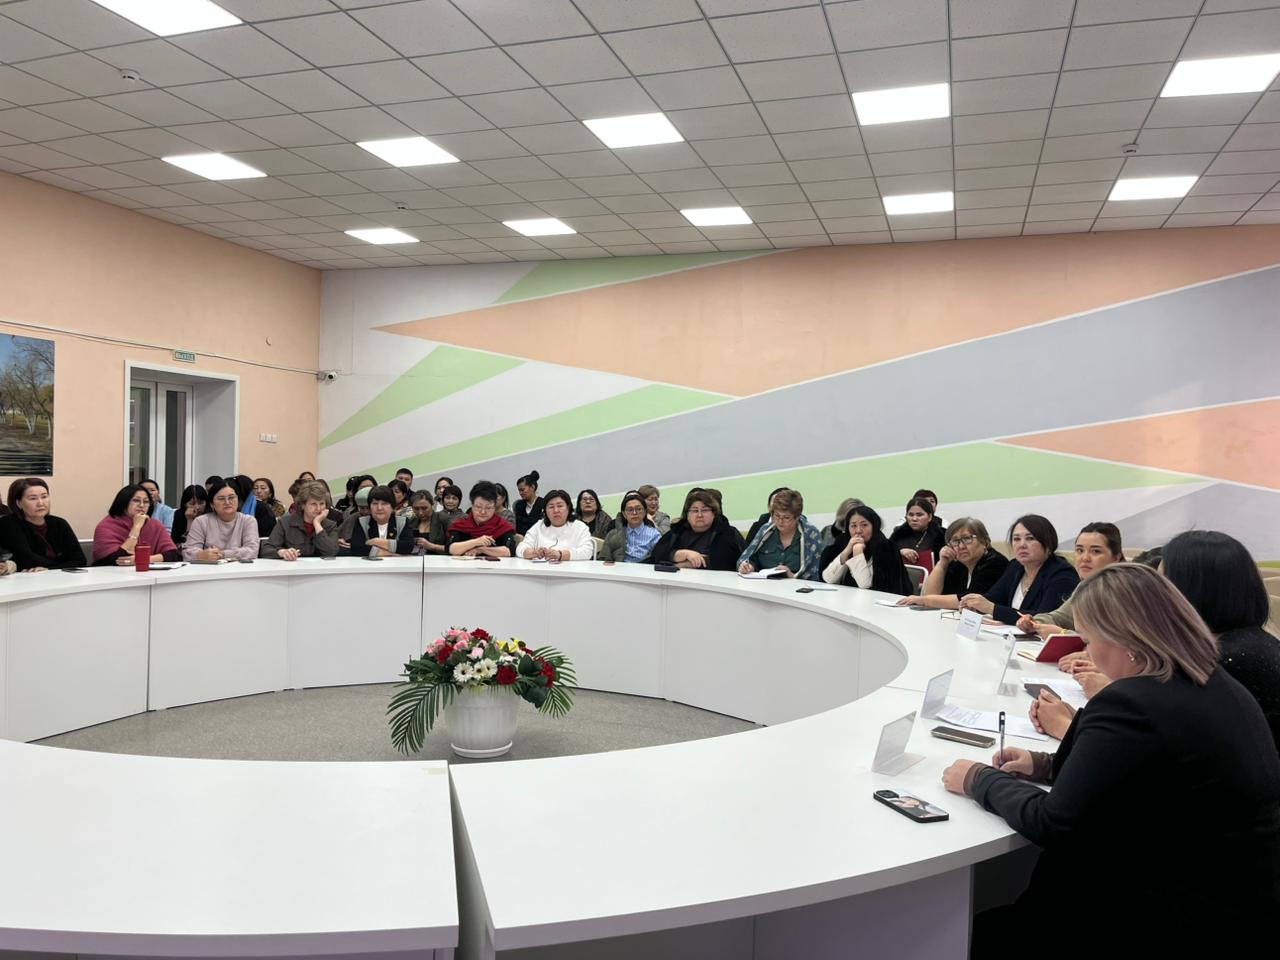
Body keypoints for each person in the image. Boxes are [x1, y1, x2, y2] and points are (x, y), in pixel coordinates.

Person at [941, 563, 1280, 954]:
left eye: (1088, 639)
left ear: (1125, 638)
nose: (1088, 653)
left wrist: (979, 778)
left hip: (1170, 916)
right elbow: (1145, 768)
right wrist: (1044, 764)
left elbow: (1053, 823)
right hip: (1239, 903)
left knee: (967, 936)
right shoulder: (1214, 682)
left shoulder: (1132, 702)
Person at [1161, 530, 1280, 752]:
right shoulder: (1252, 641)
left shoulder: (1228, 661)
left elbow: (1174, 736)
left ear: (1191, 592)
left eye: (1161, 585)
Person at [960, 515, 1078, 624]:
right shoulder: (1016, 566)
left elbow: (1044, 618)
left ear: (1048, 543)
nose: (1022, 545)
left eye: (1030, 538)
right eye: (1016, 539)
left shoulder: (1063, 574)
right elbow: (993, 598)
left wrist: (992, 609)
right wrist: (974, 605)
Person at [1016, 522, 1124, 637]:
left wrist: (1063, 633)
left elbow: (1113, 641)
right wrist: (1034, 623)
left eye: (1096, 551)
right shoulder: (1086, 585)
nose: (1085, 558)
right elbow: (1060, 617)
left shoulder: (1124, 590)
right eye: (1080, 550)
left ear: (1116, 557)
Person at [898, 517, 1009, 609]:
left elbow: (968, 601)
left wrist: (923, 600)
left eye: (967, 538)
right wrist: (942, 564)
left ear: (984, 541)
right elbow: (929, 594)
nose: (961, 546)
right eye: (955, 541)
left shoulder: (994, 563)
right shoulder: (959, 563)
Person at [819, 504, 912, 594]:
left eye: (864, 525)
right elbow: (828, 579)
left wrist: (858, 554)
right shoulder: (846, 543)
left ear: (874, 526)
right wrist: (846, 552)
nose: (858, 530)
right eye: (853, 526)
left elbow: (865, 586)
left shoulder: (886, 548)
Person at [0, 478, 86, 571]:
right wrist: (61, 565)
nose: (40, 503)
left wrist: (49, 569)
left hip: (61, 577)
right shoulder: (8, 524)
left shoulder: (59, 523)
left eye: (44, 497)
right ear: (19, 503)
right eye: (33, 498)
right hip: (27, 578)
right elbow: (26, 560)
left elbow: (80, 560)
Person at [737, 488, 822, 580]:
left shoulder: (811, 535)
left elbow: (816, 573)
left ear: (797, 517)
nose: (780, 521)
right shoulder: (765, 531)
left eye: (786, 517)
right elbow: (750, 557)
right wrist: (749, 566)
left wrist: (793, 576)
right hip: (763, 584)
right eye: (777, 515)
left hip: (796, 587)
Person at [648, 490, 743, 571]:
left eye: (705, 510)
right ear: (687, 515)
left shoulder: (728, 533)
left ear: (714, 513)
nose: (699, 515)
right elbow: (657, 555)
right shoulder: (677, 531)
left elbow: (727, 561)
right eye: (694, 510)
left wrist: (685, 565)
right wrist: (681, 554)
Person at [92, 484, 180, 566]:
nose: (142, 505)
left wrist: (144, 559)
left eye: (146, 502)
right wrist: (136, 527)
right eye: (136, 500)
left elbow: (174, 555)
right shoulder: (106, 526)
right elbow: (119, 559)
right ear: (123, 502)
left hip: (149, 573)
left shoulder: (155, 525)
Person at [182, 480, 259, 562]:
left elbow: (252, 550)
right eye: (221, 499)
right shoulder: (201, 521)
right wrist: (200, 555)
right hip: (208, 568)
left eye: (231, 497)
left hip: (240, 568)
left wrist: (223, 554)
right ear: (212, 504)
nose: (227, 502)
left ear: (238, 500)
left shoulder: (248, 521)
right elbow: (188, 552)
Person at [262, 481, 337, 559]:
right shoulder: (285, 523)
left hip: (321, 566)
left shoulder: (330, 525)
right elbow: (266, 549)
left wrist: (317, 523)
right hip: (293, 565)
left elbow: (332, 552)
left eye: (322, 504)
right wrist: (281, 552)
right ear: (303, 505)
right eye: (313, 504)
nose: (318, 508)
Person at [518, 489, 594, 560]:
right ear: (545, 511)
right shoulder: (539, 526)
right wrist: (533, 553)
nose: (556, 510)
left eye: (560, 506)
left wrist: (561, 555)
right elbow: (520, 548)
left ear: (568, 508)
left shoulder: (580, 527)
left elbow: (587, 551)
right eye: (551, 507)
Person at [447, 481, 515, 558]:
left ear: (494, 507)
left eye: (488, 508)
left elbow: (509, 551)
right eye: (478, 507)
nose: (483, 512)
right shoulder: (461, 525)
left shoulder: (502, 526)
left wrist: (481, 550)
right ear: (472, 506)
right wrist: (476, 542)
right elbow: (451, 549)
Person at [344, 485, 410, 558]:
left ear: (392, 507)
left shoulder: (402, 522)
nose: (379, 508)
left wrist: (376, 541)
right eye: (375, 503)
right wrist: (389, 553)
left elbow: (408, 546)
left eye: (384, 503)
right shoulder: (362, 522)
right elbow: (356, 548)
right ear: (370, 507)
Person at [600, 492, 662, 562]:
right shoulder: (613, 534)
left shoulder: (654, 535)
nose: (634, 513)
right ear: (624, 514)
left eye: (638, 509)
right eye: (630, 510)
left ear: (645, 512)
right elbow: (604, 558)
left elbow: (658, 559)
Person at [888, 497, 945, 565]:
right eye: (911, 515)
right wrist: (899, 552)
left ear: (929, 517)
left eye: (919, 515)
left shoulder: (941, 535)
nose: (914, 519)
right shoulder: (898, 534)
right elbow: (885, 557)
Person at [396, 490, 439, 555]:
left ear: (432, 505)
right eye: (416, 509)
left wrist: (431, 546)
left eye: (424, 508)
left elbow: (451, 548)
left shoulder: (443, 520)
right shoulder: (409, 522)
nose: (420, 512)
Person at [429, 484, 464, 550]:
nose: (450, 501)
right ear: (443, 499)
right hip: (436, 552)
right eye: (447, 498)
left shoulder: (465, 517)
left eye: (454, 498)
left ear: (459, 500)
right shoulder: (436, 515)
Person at [514, 470, 545, 535]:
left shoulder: (543, 504)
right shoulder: (518, 505)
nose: (520, 493)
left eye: (522, 490)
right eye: (519, 490)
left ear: (532, 487)